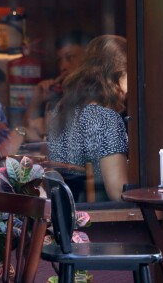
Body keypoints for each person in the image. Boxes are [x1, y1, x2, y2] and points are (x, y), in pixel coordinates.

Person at [46, 35, 129, 202]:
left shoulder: (61, 111)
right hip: (98, 221)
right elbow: (118, 192)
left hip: (66, 218)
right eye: (130, 74)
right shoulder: (105, 119)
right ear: (117, 74)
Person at [25, 30, 94, 141]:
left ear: (89, 58)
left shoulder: (100, 92)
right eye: (59, 60)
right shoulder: (58, 93)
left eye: (70, 57)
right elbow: (29, 132)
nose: (63, 66)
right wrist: (36, 100)